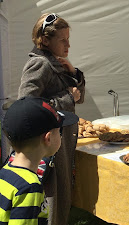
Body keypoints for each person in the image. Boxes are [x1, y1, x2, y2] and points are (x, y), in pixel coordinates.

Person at [18, 13, 85, 225]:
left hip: (57, 144)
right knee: (52, 201)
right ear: (45, 40)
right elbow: (27, 104)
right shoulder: (40, 64)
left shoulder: (55, 63)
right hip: (46, 149)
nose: (68, 45)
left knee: (60, 200)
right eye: (63, 40)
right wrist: (66, 97)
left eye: (68, 39)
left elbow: (78, 98)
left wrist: (74, 73)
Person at [0, 97, 79, 225]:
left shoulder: (5, 172)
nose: (60, 136)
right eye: (59, 132)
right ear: (48, 138)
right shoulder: (29, 187)